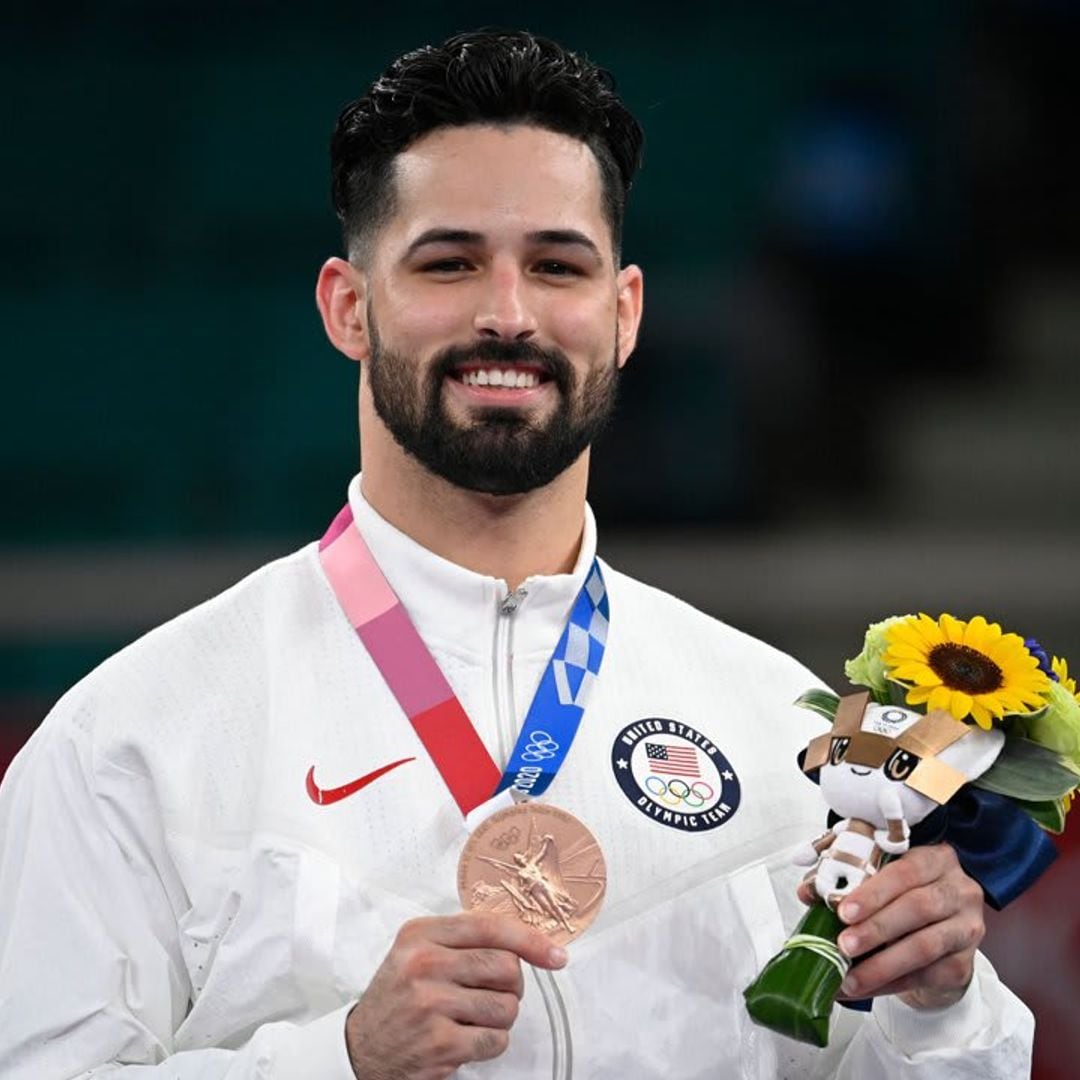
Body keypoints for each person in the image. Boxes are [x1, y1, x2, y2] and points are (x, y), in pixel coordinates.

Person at [0, 29, 1034, 1080]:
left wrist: (938, 1009)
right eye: (449, 263)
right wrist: (339, 1060)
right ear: (348, 308)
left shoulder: (784, 731)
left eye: (556, 266)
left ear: (622, 314)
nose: (508, 315)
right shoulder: (132, 744)